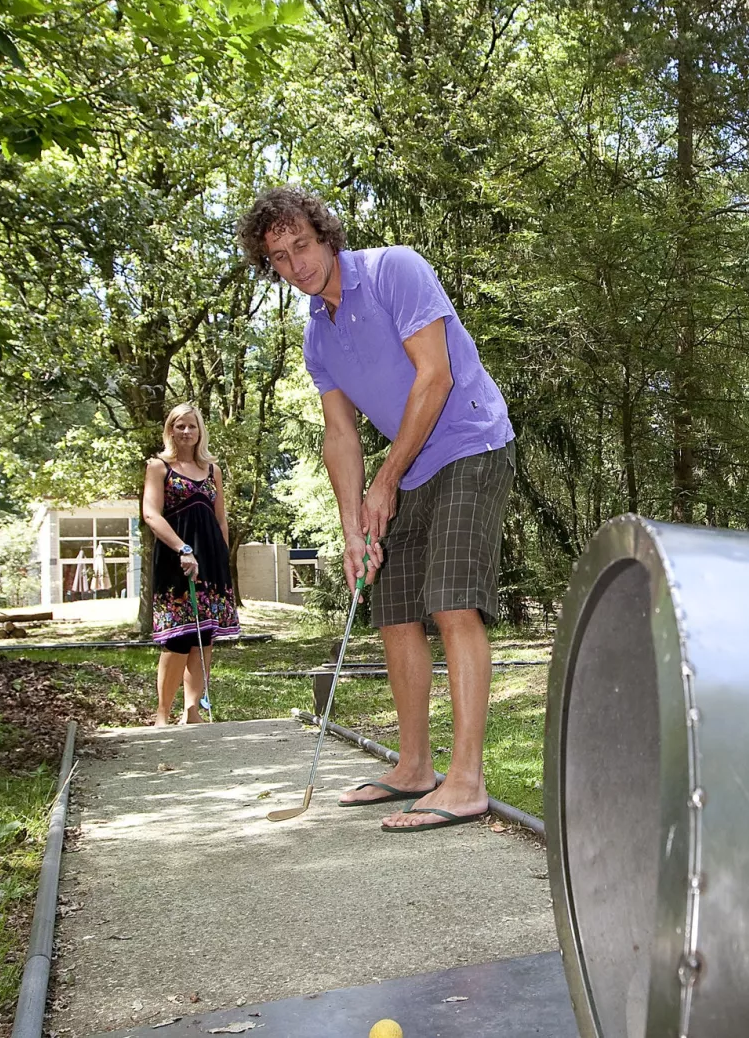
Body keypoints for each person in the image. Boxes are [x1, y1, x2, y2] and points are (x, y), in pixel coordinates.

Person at [237, 187, 515, 832]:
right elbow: (340, 434)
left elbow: (435, 377)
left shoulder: (395, 269)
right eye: (278, 257)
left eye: (301, 245)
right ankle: (414, 766)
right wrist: (352, 527)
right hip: (409, 463)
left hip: (471, 441)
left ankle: (466, 780)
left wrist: (384, 482)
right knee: (391, 610)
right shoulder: (317, 338)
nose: (295, 264)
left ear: (325, 235)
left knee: (451, 600)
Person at [141, 403, 241, 725]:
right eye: (180, 426)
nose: (186, 431)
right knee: (178, 639)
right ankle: (162, 714)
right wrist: (182, 548)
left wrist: (221, 559)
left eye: (192, 426)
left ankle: (192, 711)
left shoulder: (213, 470)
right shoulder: (159, 467)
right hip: (176, 558)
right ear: (170, 430)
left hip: (210, 559)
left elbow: (220, 519)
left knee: (204, 637)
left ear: (200, 432)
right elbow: (151, 514)